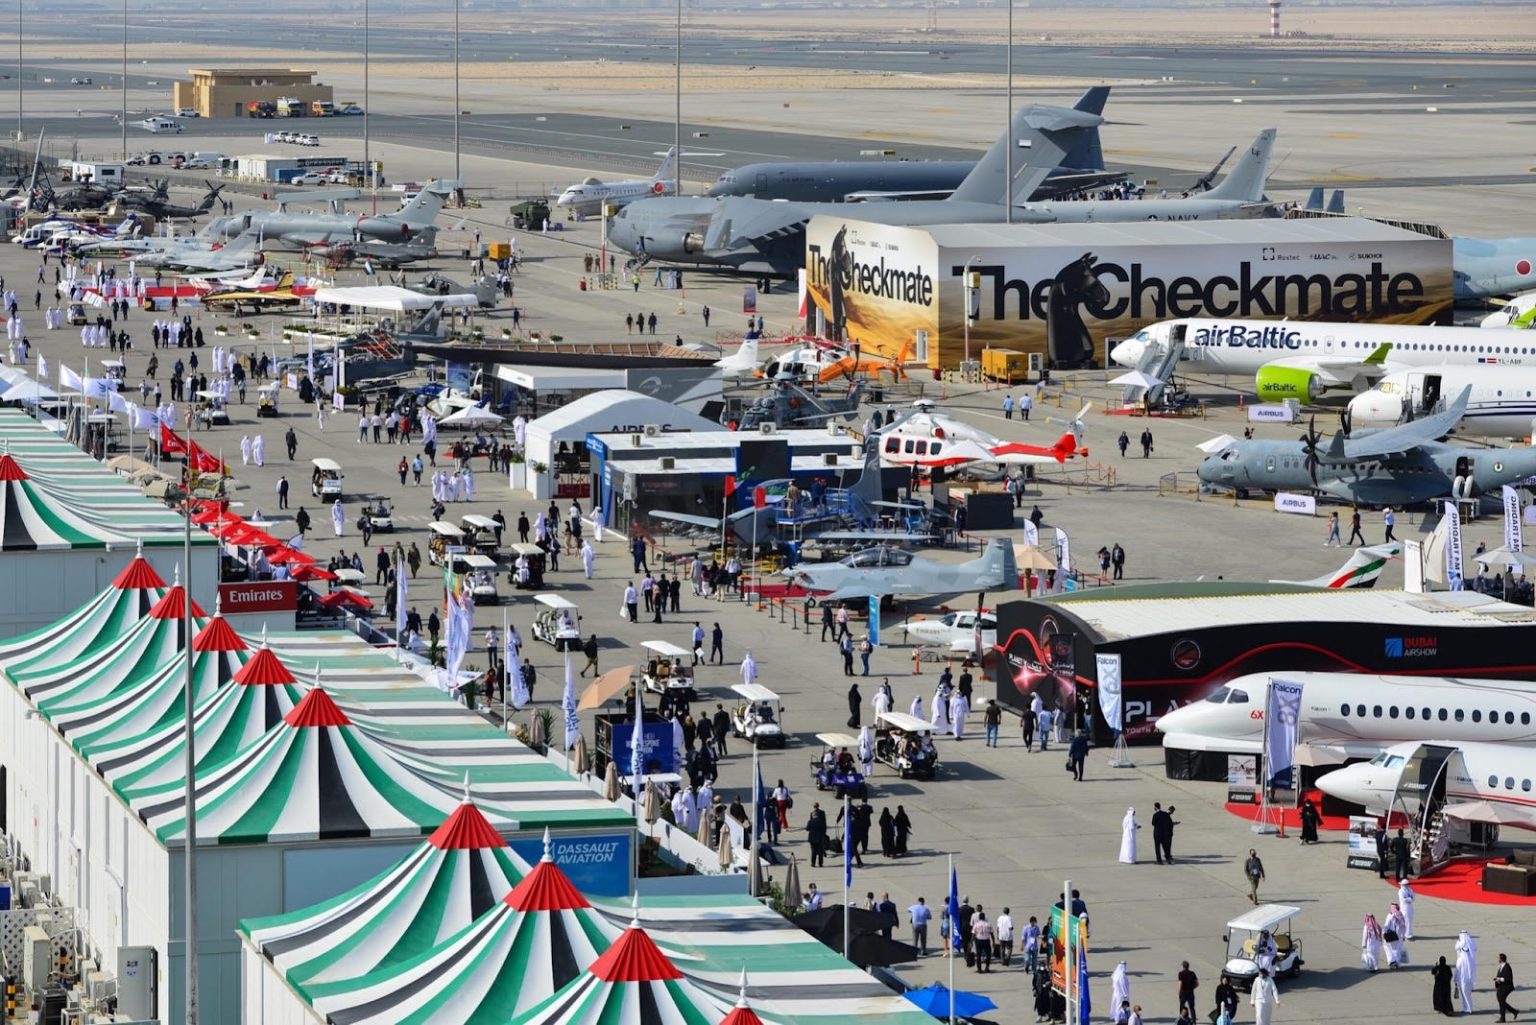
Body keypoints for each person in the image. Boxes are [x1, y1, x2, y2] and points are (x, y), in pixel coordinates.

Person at [1456, 930, 1478, 1014]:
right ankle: (1467, 1008)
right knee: (1467, 994)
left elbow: (1458, 971)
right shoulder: (1471, 959)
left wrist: (1455, 980)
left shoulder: (1460, 960)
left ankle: (1468, 1009)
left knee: (1465, 994)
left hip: (1463, 980)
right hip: (1470, 979)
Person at [1495, 952, 1518, 1022]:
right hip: (1501, 986)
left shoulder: (1507, 967)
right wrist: (1497, 980)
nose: (1497, 959)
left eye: (1498, 958)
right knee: (1501, 1000)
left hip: (1507, 987)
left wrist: (1500, 979)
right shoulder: (1501, 966)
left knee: (1501, 1001)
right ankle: (1514, 1011)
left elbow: (1509, 978)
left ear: (1501, 959)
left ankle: (1502, 1018)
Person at [1385, 903, 1408, 969]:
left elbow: (1386, 925)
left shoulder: (1391, 916)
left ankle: (1393, 962)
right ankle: (1396, 962)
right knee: (1398, 949)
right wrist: (1403, 936)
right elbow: (1404, 927)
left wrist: (1384, 933)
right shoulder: (1400, 915)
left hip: (1393, 936)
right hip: (1400, 936)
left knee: (1392, 949)